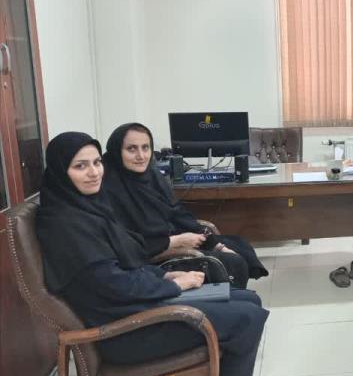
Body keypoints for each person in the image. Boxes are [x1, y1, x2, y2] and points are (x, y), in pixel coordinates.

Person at [36, 132, 268, 375]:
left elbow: (126, 263)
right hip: (125, 329)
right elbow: (112, 283)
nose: (94, 172)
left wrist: (163, 276)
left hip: (137, 307)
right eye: (80, 166)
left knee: (250, 300)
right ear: (61, 172)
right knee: (247, 318)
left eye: (96, 162)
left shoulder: (88, 209)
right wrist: (175, 285)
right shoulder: (64, 224)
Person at [101, 123, 268, 289]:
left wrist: (216, 245)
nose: (141, 156)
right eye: (131, 149)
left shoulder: (152, 176)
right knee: (233, 262)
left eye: (145, 148)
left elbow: (177, 213)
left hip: (174, 239)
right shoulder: (110, 190)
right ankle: (232, 299)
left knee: (239, 245)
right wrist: (175, 242)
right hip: (151, 261)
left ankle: (237, 296)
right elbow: (126, 246)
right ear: (117, 151)